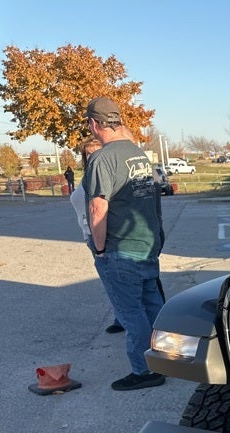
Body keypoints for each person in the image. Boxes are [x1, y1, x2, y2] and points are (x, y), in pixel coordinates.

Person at [82, 96, 166, 391]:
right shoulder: (139, 155)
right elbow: (154, 198)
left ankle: (144, 371)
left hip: (120, 249)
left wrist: (100, 249)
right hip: (146, 245)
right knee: (153, 306)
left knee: (131, 313)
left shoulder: (102, 159)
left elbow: (98, 208)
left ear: (94, 124)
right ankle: (164, 359)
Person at [70, 137, 124, 335]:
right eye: (88, 154)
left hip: (105, 236)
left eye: (96, 152)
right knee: (109, 282)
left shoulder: (105, 176)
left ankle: (125, 318)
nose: (92, 157)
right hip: (90, 235)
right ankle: (120, 316)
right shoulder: (87, 176)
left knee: (116, 281)